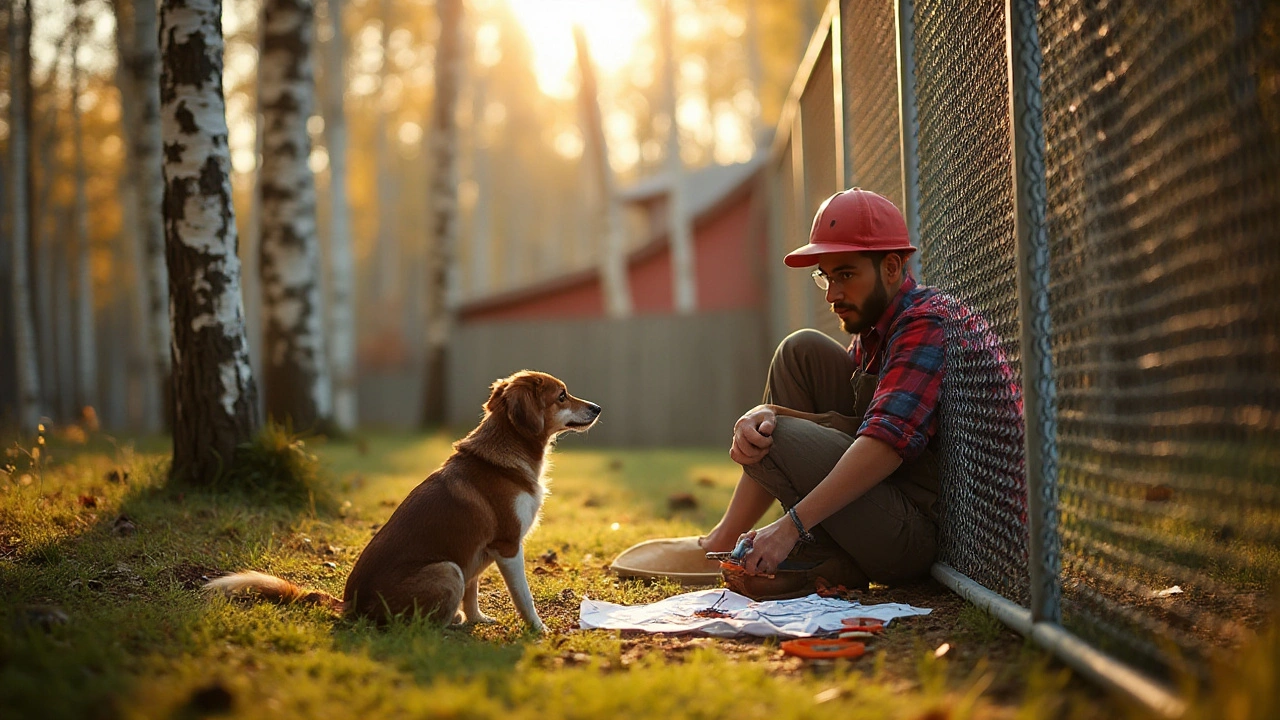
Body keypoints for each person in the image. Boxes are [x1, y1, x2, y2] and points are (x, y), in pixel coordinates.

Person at [699, 188, 956, 599]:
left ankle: (814, 550)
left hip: (929, 535)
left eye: (846, 275)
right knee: (800, 353)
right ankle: (737, 540)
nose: (832, 294)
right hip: (893, 500)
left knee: (775, 435)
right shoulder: (877, 327)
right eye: (826, 276)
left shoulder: (925, 322)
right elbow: (852, 425)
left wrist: (789, 528)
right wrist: (765, 409)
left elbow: (883, 446)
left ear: (891, 267)